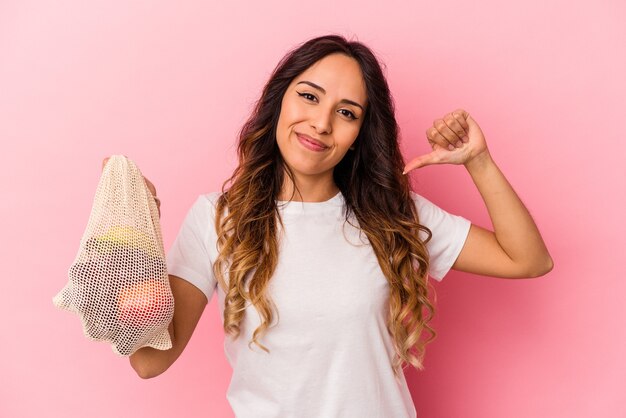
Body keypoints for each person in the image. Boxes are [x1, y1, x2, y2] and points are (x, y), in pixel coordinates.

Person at [104, 34, 553, 418]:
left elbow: (528, 260)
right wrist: (134, 226)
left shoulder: (390, 213)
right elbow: (149, 360)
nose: (320, 123)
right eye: (310, 95)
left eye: (347, 112)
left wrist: (478, 161)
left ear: (360, 132)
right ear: (279, 98)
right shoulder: (217, 218)